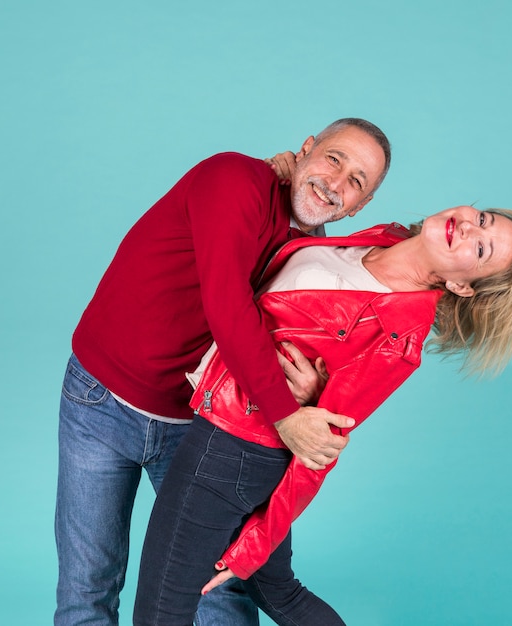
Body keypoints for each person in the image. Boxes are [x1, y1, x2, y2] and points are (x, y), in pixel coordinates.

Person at [133, 205, 512, 625]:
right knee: (281, 593)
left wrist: (255, 544)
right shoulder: (383, 237)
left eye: (480, 248)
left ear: (461, 285)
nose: (470, 227)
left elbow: (322, 447)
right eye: (484, 219)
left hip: (234, 446)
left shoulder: (398, 338)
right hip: (234, 433)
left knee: (161, 612)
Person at [54, 118, 392, 626]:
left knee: (218, 592)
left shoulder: (310, 257)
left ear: (360, 207)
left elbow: (309, 349)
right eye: (333, 159)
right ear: (306, 149)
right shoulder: (233, 179)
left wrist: (311, 388)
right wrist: (284, 415)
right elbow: (227, 303)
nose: (336, 182)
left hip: (198, 427)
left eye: (357, 181)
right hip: (101, 400)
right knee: (88, 589)